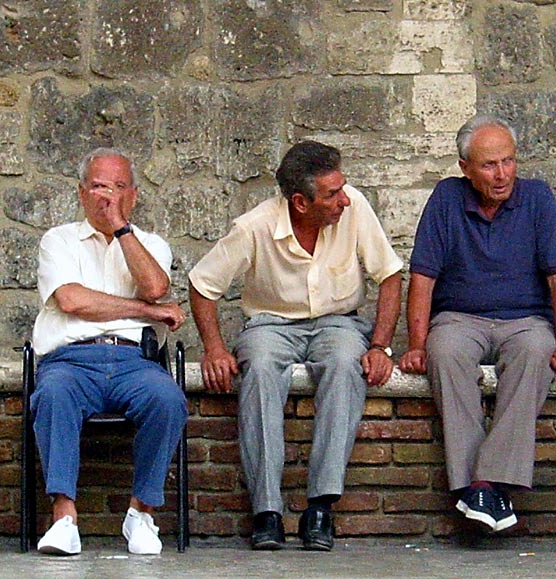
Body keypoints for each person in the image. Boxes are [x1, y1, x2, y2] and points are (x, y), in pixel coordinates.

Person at [188, 141, 402, 552]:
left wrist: (380, 345)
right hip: (270, 323)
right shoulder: (255, 226)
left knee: (345, 365)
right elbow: (203, 284)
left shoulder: (353, 206)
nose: (343, 199)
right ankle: (266, 511)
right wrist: (214, 348)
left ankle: (320, 507)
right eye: (332, 194)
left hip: (339, 321)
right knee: (262, 368)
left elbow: (390, 275)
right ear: (301, 202)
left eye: (342, 188)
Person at [399, 115, 556, 533]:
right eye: (489, 165)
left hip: (525, 320)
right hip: (459, 318)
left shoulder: (537, 198)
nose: (502, 174)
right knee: (443, 351)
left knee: (537, 352)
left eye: (508, 161)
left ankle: (481, 485)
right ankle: (487, 491)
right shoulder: (446, 198)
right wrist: (415, 343)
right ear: (465, 167)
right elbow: (423, 277)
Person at [30, 148, 188, 556]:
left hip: (133, 361)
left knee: (168, 399)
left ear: (133, 196)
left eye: (119, 188)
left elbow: (156, 287)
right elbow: (71, 300)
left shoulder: (151, 243)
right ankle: (64, 518)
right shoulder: (58, 240)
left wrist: (120, 226)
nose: (108, 196)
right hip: (70, 360)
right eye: (100, 186)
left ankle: (141, 514)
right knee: (53, 395)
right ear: (82, 193)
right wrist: (148, 312)